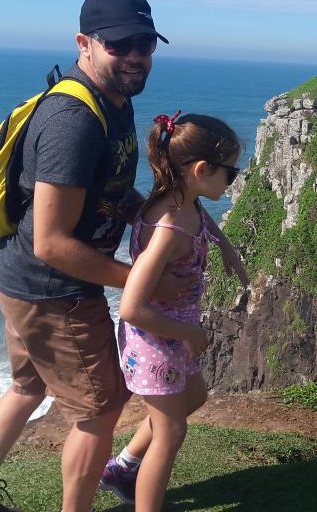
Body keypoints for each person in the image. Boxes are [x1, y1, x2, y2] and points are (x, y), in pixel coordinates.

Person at [0, 0, 246, 512]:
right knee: (100, 408)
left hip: (18, 279)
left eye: (145, 44)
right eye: (119, 44)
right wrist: (143, 278)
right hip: (54, 289)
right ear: (84, 43)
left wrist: (159, 220)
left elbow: (112, 191)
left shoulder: (115, 104)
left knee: (27, 389)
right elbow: (52, 243)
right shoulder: (75, 120)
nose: (135, 55)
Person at [100, 113, 242, 511]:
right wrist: (191, 335)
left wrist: (225, 245)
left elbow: (200, 217)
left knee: (194, 396)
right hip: (155, 342)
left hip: (170, 335)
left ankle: (123, 467)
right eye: (230, 173)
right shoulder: (168, 229)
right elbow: (131, 306)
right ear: (202, 169)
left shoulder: (182, 199)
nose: (233, 181)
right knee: (171, 432)